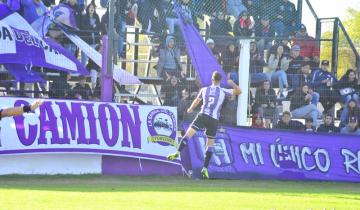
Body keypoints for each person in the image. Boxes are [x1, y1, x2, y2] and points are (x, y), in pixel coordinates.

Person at [167, 71, 241, 179]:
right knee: (210, 144)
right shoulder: (224, 91)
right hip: (213, 120)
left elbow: (197, 101)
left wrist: (190, 109)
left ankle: (178, 151)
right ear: (220, 81)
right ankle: (205, 168)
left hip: (203, 116)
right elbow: (239, 91)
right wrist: (231, 83)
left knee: (188, 134)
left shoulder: (204, 89)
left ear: (212, 79)